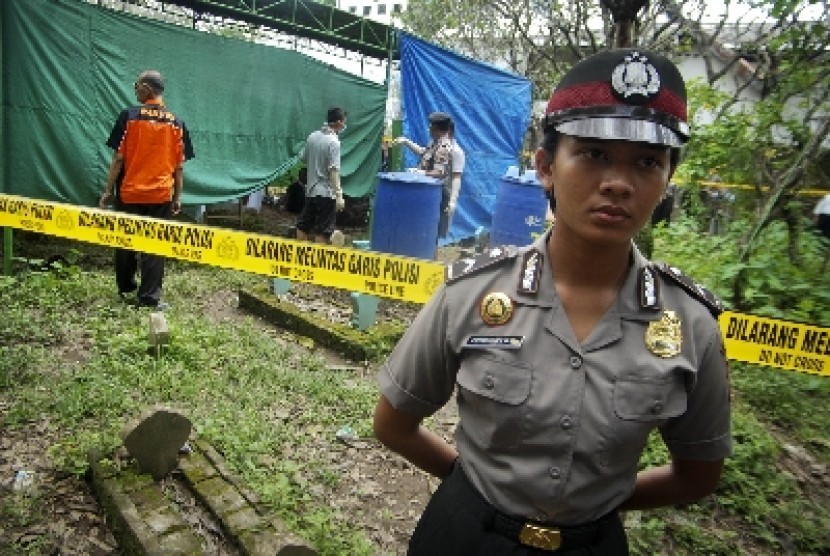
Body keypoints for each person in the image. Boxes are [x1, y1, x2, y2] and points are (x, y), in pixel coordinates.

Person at [374, 49, 732, 555]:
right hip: (464, 537)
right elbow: (393, 423)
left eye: (648, 162)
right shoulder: (475, 292)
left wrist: (599, 504)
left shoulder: (689, 323)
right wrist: (475, 488)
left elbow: (697, 475)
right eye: (594, 154)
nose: (618, 183)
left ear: (667, 179)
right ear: (545, 166)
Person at [99, 69, 194, 309]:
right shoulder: (177, 123)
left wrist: (108, 190)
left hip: (130, 192)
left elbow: (118, 159)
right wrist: (177, 197)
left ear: (148, 88)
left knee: (125, 239)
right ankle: (149, 297)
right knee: (154, 245)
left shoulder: (129, 116)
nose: (135, 88)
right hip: (160, 194)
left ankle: (125, 286)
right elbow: (179, 167)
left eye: (137, 84)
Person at [395, 112, 466, 240]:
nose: (429, 129)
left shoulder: (456, 151)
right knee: (419, 230)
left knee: (433, 234)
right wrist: (406, 141)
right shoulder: (435, 144)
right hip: (425, 193)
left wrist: (453, 201)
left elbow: (456, 177)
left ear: (440, 130)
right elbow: (424, 153)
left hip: (440, 195)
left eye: (432, 127)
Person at [296, 107, 347, 244]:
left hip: (311, 191)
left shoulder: (312, 137)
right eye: (343, 122)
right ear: (338, 122)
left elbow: (303, 158)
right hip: (326, 193)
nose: (344, 125)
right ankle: (318, 262)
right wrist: (339, 195)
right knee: (322, 232)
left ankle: (300, 259)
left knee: (303, 226)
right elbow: (334, 171)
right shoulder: (334, 143)